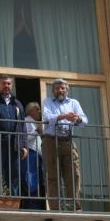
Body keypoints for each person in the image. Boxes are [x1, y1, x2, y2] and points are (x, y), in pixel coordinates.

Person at [41, 79, 88, 211]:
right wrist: (64, 116)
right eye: (57, 88)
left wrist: (77, 119)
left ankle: (74, 206)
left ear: (67, 90)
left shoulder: (74, 103)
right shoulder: (47, 102)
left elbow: (84, 121)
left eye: (63, 88)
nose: (60, 91)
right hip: (51, 141)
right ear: (53, 90)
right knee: (52, 176)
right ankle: (55, 208)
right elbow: (47, 118)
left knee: (74, 174)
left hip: (68, 140)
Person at [21, 102, 45, 209]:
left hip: (37, 155)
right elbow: (24, 138)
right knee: (30, 180)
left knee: (37, 181)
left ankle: (35, 206)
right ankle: (31, 207)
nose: (40, 111)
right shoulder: (26, 120)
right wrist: (37, 130)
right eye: (37, 109)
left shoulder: (34, 123)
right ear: (30, 111)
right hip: (30, 154)